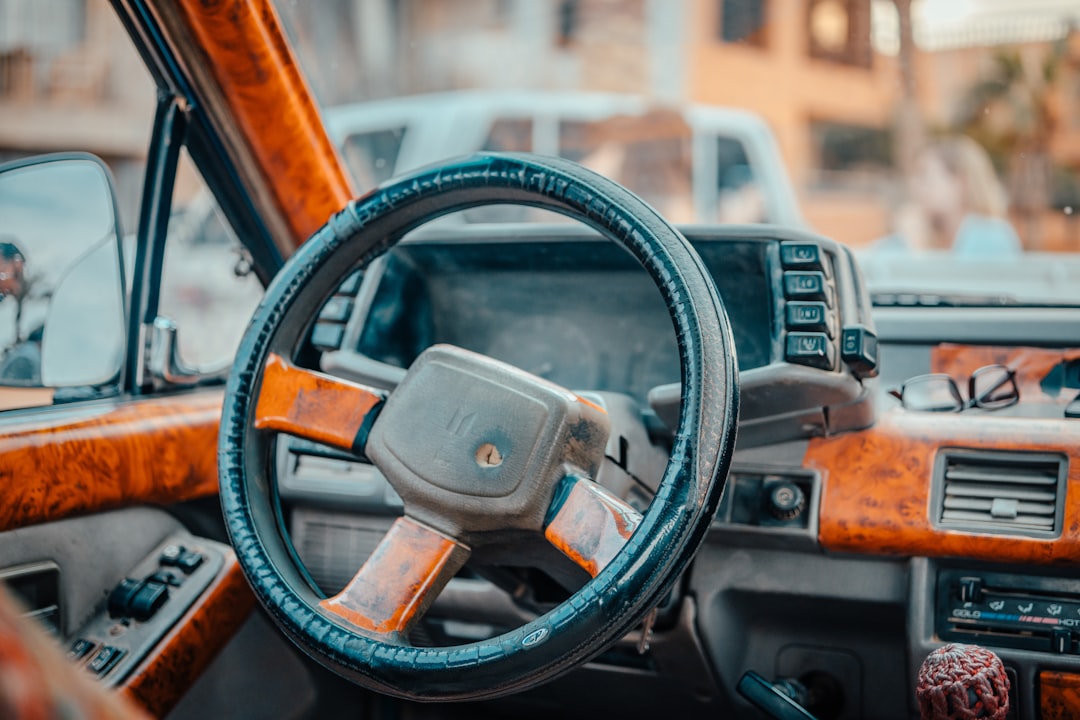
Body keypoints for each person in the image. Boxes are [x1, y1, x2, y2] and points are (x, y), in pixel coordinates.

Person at [903, 136, 1023, 255]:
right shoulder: (917, 231)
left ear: (960, 182)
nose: (915, 186)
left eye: (924, 175)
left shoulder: (992, 238)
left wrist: (919, 249)